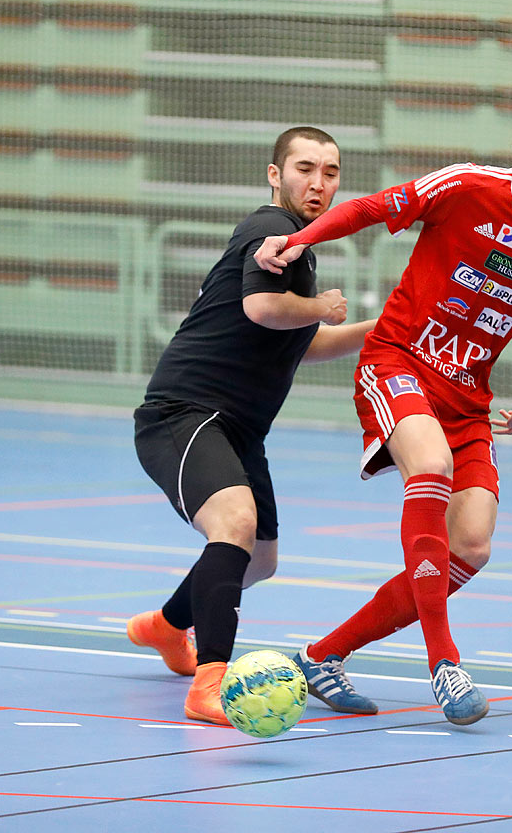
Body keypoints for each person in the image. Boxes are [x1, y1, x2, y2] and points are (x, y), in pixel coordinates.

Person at [254, 96, 512, 725]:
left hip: (469, 397)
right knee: (431, 467)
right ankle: (444, 661)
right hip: (399, 363)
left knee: (472, 545)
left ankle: (321, 656)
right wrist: (296, 238)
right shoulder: (467, 187)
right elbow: (368, 208)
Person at [127, 127, 376, 725]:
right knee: (234, 524)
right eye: (305, 169)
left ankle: (164, 627)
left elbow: (298, 342)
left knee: (258, 560)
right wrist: (322, 305)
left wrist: (377, 328)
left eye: (331, 172)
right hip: (184, 414)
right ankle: (208, 683)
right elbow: (264, 308)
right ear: (275, 175)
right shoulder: (272, 230)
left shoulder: (301, 245)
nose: (319, 183)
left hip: (240, 429)